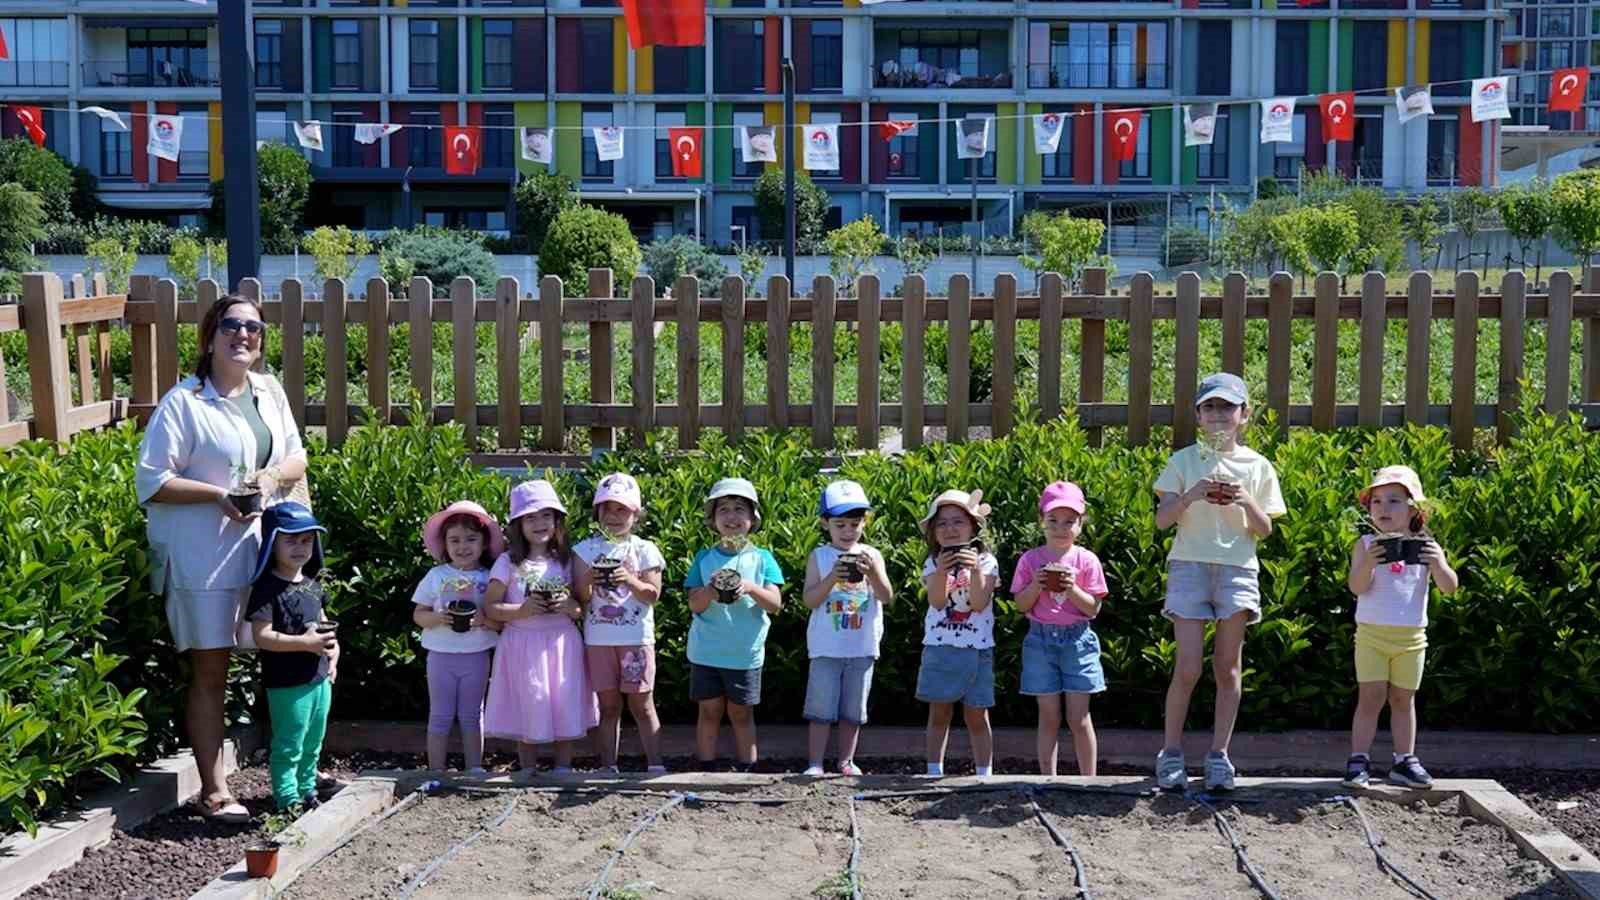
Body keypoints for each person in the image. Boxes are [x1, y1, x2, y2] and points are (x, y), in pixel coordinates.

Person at [135, 295, 307, 823]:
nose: (243, 334)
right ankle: (214, 791)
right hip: (203, 558)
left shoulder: (268, 391)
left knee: (288, 657)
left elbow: (297, 456)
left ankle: (296, 773)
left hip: (265, 553)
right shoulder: (183, 403)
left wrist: (269, 479)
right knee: (212, 670)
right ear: (210, 337)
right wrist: (216, 496)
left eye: (253, 327)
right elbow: (152, 481)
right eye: (231, 325)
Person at [1153, 372, 1286, 792]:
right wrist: (1190, 495)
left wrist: (1243, 498)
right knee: (1188, 666)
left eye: (1227, 407)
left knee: (1228, 668)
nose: (1218, 414)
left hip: (1238, 570)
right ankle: (1170, 753)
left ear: (1244, 414)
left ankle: (1218, 756)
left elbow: (1265, 529)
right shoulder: (1182, 461)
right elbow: (1161, 520)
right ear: (1197, 415)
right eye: (1209, 407)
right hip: (1189, 566)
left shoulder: (1258, 466)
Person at [1344, 466, 1458, 789]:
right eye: (1376, 501)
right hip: (1371, 636)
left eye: (1394, 501)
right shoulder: (1365, 544)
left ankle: (1404, 760)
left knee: (1403, 700)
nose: (1383, 508)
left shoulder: (1426, 546)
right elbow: (1356, 587)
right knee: (1370, 698)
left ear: (1412, 509)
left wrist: (1439, 563)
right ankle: (1358, 760)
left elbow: (1450, 588)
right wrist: (1369, 562)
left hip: (1411, 639)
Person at [483, 480, 597, 774]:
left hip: (561, 643)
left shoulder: (568, 561)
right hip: (523, 645)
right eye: (530, 517)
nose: (540, 523)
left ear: (557, 521)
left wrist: (569, 606)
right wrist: (522, 610)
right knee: (529, 701)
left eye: (547, 515)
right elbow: (491, 606)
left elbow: (580, 607)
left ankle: (563, 767)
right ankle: (527, 768)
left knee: (564, 701)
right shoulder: (508, 562)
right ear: (518, 525)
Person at [683, 478, 784, 771]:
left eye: (740, 509)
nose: (732, 516)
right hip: (706, 651)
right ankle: (705, 766)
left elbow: (774, 604)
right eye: (723, 510)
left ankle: (747, 768)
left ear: (753, 518)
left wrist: (751, 588)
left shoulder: (762, 559)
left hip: (744, 653)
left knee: (741, 713)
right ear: (713, 519)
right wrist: (709, 591)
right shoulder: (704, 558)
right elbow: (694, 604)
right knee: (709, 710)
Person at [1011, 481, 1110, 776]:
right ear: (1041, 520)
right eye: (1053, 520)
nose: (1060, 528)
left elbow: (1093, 608)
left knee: (1079, 718)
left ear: (1081, 524)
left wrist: (1071, 588)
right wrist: (1036, 585)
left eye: (1069, 521)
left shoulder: (1087, 560)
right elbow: (1021, 605)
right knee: (1049, 717)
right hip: (1039, 641)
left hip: (1077, 641)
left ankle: (1090, 781)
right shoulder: (1030, 560)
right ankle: (1047, 779)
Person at [573, 473, 668, 774]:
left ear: (635, 514)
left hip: (636, 639)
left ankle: (655, 765)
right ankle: (608, 766)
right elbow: (581, 597)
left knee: (642, 705)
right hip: (598, 641)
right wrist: (589, 576)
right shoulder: (584, 550)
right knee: (608, 707)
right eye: (607, 508)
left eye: (621, 509)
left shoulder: (645, 549)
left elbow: (653, 595)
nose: (613, 516)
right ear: (597, 512)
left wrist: (629, 579)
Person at [245, 503, 337, 812]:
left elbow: (324, 625)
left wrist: (334, 653)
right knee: (289, 743)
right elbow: (262, 636)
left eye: (307, 540)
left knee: (313, 741)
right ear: (272, 543)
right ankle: (287, 800)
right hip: (287, 684)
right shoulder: (266, 589)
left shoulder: (312, 585)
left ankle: (307, 790)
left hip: (319, 679)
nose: (300, 547)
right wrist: (304, 643)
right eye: (291, 540)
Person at [801, 481, 893, 776]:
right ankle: (815, 763)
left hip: (862, 647)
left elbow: (886, 596)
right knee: (820, 710)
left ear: (865, 522)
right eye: (840, 524)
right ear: (824, 523)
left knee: (853, 710)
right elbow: (810, 600)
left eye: (855, 524)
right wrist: (832, 578)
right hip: (825, 648)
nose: (848, 531)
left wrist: (873, 573)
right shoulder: (819, 556)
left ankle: (846, 761)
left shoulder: (872, 555)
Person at [412, 500, 504, 774]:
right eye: (455, 540)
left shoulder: (490, 578)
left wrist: (484, 621)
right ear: (445, 544)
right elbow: (418, 614)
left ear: (484, 543)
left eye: (471, 539)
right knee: (440, 715)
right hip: (440, 657)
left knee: (472, 715)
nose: (463, 546)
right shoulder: (436, 575)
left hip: (476, 656)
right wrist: (437, 618)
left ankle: (474, 768)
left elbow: (499, 622)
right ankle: (436, 770)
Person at [915, 489, 1000, 778]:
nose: (950, 529)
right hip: (939, 647)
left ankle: (984, 774)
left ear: (974, 527)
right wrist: (941, 572)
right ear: (933, 532)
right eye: (942, 523)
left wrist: (974, 570)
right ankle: (933, 771)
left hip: (977, 648)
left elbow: (978, 603)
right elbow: (937, 601)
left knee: (977, 713)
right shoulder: (932, 562)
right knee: (939, 712)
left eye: (958, 521)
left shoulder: (986, 562)